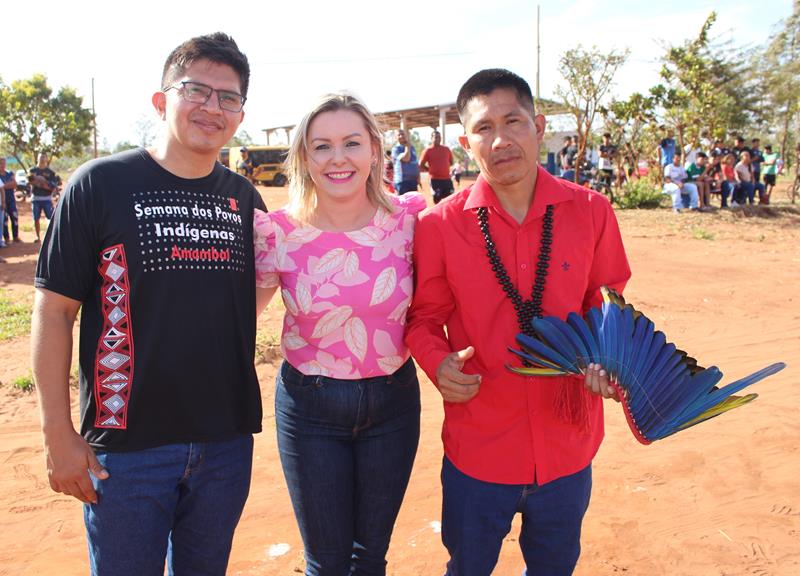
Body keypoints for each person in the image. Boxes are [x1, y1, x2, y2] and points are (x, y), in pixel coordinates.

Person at [32, 32, 264, 575]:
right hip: (126, 449)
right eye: (196, 91)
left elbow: (248, 300)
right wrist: (57, 434)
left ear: (240, 114)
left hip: (225, 443)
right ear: (162, 101)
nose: (212, 107)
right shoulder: (100, 185)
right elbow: (54, 311)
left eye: (228, 97)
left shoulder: (245, 200)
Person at [406, 68, 630, 576]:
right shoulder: (438, 226)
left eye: (514, 121)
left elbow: (608, 305)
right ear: (465, 142)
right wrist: (438, 364)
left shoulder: (592, 211)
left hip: (567, 448)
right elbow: (424, 319)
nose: (501, 139)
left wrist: (606, 356)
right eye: (484, 128)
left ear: (539, 125)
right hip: (478, 448)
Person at [253, 92, 424, 576]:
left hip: (393, 405)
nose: (338, 158)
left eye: (351, 143)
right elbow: (236, 320)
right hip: (310, 409)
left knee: (370, 559)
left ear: (374, 148)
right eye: (321, 146)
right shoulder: (278, 232)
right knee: (326, 563)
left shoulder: (409, 220)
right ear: (304, 158)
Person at [29, 152, 59, 243]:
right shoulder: (32, 171)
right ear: (37, 158)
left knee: (51, 218)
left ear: (46, 159)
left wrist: (44, 183)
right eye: (40, 157)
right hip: (36, 198)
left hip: (46, 198)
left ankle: (51, 236)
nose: (42, 159)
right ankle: (38, 237)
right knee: (36, 218)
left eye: (43, 157)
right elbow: (29, 181)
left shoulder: (50, 172)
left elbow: (53, 186)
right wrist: (37, 182)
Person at [420, 130, 455, 203]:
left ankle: (447, 214)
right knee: (437, 200)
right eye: (435, 137)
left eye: (439, 137)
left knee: (450, 200)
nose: (437, 139)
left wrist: (443, 167)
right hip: (435, 180)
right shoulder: (428, 150)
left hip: (447, 180)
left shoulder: (446, 149)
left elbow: (451, 162)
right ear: (431, 138)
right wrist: (430, 170)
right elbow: (421, 164)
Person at [391, 128, 420, 194]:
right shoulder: (396, 149)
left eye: (403, 134)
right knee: (402, 203)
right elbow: (406, 159)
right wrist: (407, 147)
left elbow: (415, 163)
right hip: (402, 182)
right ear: (396, 137)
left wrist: (418, 177)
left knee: (413, 203)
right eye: (399, 135)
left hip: (413, 181)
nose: (401, 136)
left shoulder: (412, 148)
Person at [1, 156, 20, 244]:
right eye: (1, 163)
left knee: (14, 217)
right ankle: (7, 238)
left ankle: (15, 236)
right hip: (2, 200)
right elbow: (11, 184)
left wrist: (4, 186)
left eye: (4, 163)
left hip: (11, 199)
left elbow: (15, 184)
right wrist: (9, 184)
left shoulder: (10, 173)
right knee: (4, 220)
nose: (3, 165)